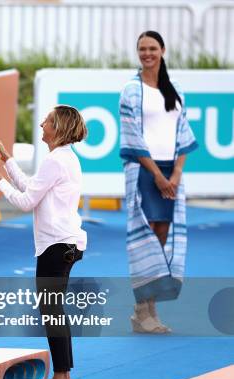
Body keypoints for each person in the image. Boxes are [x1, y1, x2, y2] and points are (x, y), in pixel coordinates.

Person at [0, 105, 88, 379]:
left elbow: (26, 201)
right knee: (54, 309)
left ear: (59, 128)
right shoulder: (63, 158)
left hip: (56, 244)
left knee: (52, 310)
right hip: (64, 242)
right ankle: (62, 377)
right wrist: (7, 161)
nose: (42, 124)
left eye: (47, 121)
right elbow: (33, 188)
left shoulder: (56, 160)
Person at [119, 30, 198, 334]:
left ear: (163, 50)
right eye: (142, 49)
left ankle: (147, 307)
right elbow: (132, 137)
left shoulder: (174, 88)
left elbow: (183, 133)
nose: (147, 53)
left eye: (152, 48)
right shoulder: (130, 90)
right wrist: (157, 175)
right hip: (144, 170)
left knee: (163, 234)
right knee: (147, 236)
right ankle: (142, 309)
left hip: (170, 171)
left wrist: (175, 174)